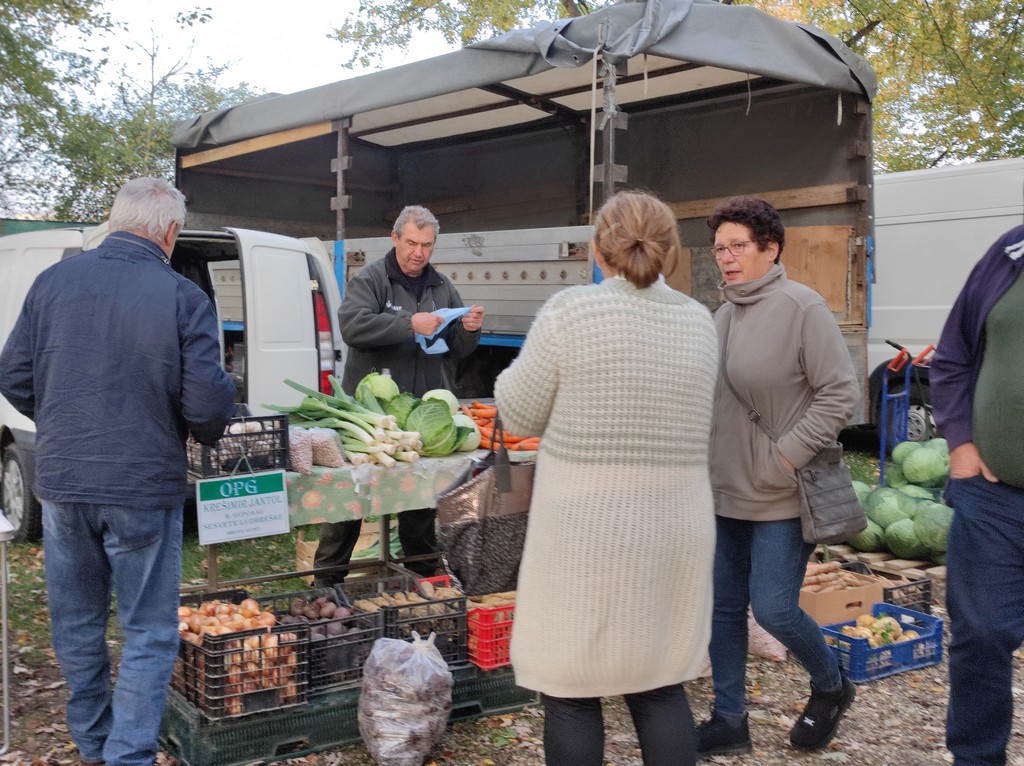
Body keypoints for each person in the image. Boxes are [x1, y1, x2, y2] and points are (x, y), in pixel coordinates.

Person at [0, 177, 237, 766]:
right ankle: (126, 755)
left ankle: (92, 743)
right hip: (142, 486)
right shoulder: (183, 296)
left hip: (64, 484)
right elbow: (208, 407)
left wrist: (62, 423)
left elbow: (13, 376)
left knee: (77, 623)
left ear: (114, 219)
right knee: (148, 631)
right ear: (171, 231)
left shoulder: (52, 282)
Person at [494, 190, 718, 766]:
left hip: (586, 528)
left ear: (597, 249)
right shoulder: (699, 321)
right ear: (670, 250)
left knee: (571, 689)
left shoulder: (571, 311)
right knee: (659, 682)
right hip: (676, 523)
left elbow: (518, 414)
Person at [696, 196, 860, 758]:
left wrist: (787, 455)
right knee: (723, 607)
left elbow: (840, 392)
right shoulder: (721, 316)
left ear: (770, 248)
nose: (726, 257)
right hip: (724, 490)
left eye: (738, 246)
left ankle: (831, 684)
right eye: (720, 248)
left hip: (781, 494)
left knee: (773, 608)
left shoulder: (801, 307)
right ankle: (729, 720)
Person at [313, 205, 485, 582]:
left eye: (427, 245)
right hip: (373, 421)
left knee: (419, 505)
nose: (418, 252)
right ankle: (326, 584)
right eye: (411, 243)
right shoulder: (371, 279)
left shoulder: (442, 286)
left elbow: (456, 349)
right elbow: (353, 326)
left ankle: (422, 584)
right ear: (394, 238)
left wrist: (469, 330)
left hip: (419, 420)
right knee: (349, 502)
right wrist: (409, 323)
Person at [930, 224, 1024, 766]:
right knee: (981, 636)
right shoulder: (1010, 254)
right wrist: (961, 445)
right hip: (992, 497)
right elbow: (952, 355)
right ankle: (976, 757)